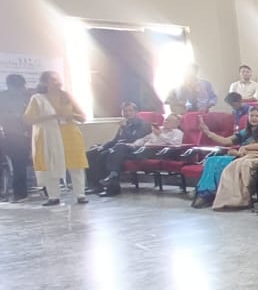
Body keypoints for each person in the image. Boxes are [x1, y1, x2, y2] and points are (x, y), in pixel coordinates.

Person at [23, 71, 89, 206]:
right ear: (45, 82)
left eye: (59, 79)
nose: (58, 82)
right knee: (50, 165)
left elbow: (82, 117)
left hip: (69, 134)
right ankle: (53, 196)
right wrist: (53, 116)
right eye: (53, 79)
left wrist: (72, 116)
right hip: (49, 136)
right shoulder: (37, 98)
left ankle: (80, 195)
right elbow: (28, 120)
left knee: (76, 165)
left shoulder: (66, 96)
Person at [190, 106, 258, 209]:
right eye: (251, 115)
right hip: (238, 155)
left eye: (257, 116)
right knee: (211, 160)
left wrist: (238, 153)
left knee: (215, 161)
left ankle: (206, 193)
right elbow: (226, 141)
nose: (254, 118)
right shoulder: (245, 132)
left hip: (251, 157)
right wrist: (207, 132)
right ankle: (205, 191)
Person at [96, 113, 184, 197]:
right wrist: (133, 144)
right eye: (165, 120)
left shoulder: (177, 132)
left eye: (168, 121)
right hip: (141, 149)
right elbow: (144, 139)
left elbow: (175, 144)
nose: (165, 122)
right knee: (114, 150)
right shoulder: (159, 129)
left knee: (117, 151)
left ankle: (112, 178)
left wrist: (160, 135)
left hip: (155, 152)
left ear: (176, 123)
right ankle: (112, 175)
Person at [84, 100, 151, 190]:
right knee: (92, 153)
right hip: (119, 148)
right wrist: (102, 146)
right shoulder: (124, 125)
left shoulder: (144, 125)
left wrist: (125, 129)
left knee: (105, 154)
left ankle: (111, 185)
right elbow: (115, 140)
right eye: (125, 111)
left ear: (136, 112)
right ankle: (94, 184)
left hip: (134, 150)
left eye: (130, 111)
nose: (127, 113)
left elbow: (133, 139)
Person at [0, 73, 32, 201]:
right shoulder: (7, 98)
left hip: (20, 136)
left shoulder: (27, 97)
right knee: (19, 164)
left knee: (19, 164)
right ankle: (20, 193)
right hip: (16, 136)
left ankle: (20, 192)